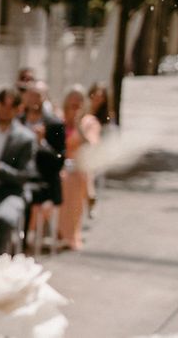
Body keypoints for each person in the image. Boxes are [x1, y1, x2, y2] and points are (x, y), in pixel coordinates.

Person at [0, 88, 36, 256]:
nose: (5, 110)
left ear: (18, 109)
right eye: (3, 105)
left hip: (11, 192)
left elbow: (24, 176)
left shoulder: (26, 138)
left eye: (11, 106)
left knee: (5, 218)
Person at [58, 87, 101, 250]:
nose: (74, 108)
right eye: (71, 104)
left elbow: (90, 145)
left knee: (72, 181)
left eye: (78, 104)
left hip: (79, 165)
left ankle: (70, 233)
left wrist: (78, 125)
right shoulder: (59, 120)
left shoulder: (89, 122)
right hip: (60, 165)